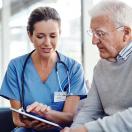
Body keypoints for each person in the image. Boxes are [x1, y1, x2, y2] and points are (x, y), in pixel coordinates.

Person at [0, 6, 88, 132]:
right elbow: (17, 118)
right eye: (40, 36)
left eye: (53, 36)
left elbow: (70, 116)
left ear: (60, 34)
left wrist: (47, 114)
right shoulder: (16, 67)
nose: (47, 42)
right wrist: (30, 123)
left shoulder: (73, 68)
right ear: (30, 35)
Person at [61, 0, 132, 132]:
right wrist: (74, 130)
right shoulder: (100, 67)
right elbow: (90, 110)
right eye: (92, 33)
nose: (94, 41)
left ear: (126, 33)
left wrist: (86, 130)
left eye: (100, 33)